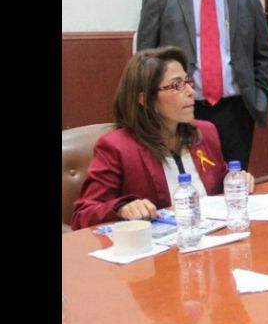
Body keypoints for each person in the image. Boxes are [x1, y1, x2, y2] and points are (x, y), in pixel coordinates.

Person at [136, 0, 268, 170]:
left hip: (236, 112)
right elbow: (144, 60)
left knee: (234, 182)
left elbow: (263, 55)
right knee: (186, 181)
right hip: (178, 112)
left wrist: (259, 98)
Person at [71, 46, 256, 230]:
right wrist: (122, 208)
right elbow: (83, 214)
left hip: (215, 236)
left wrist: (237, 180)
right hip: (159, 245)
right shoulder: (117, 147)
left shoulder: (205, 132)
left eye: (188, 82)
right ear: (146, 100)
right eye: (177, 85)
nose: (191, 92)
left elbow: (217, 182)